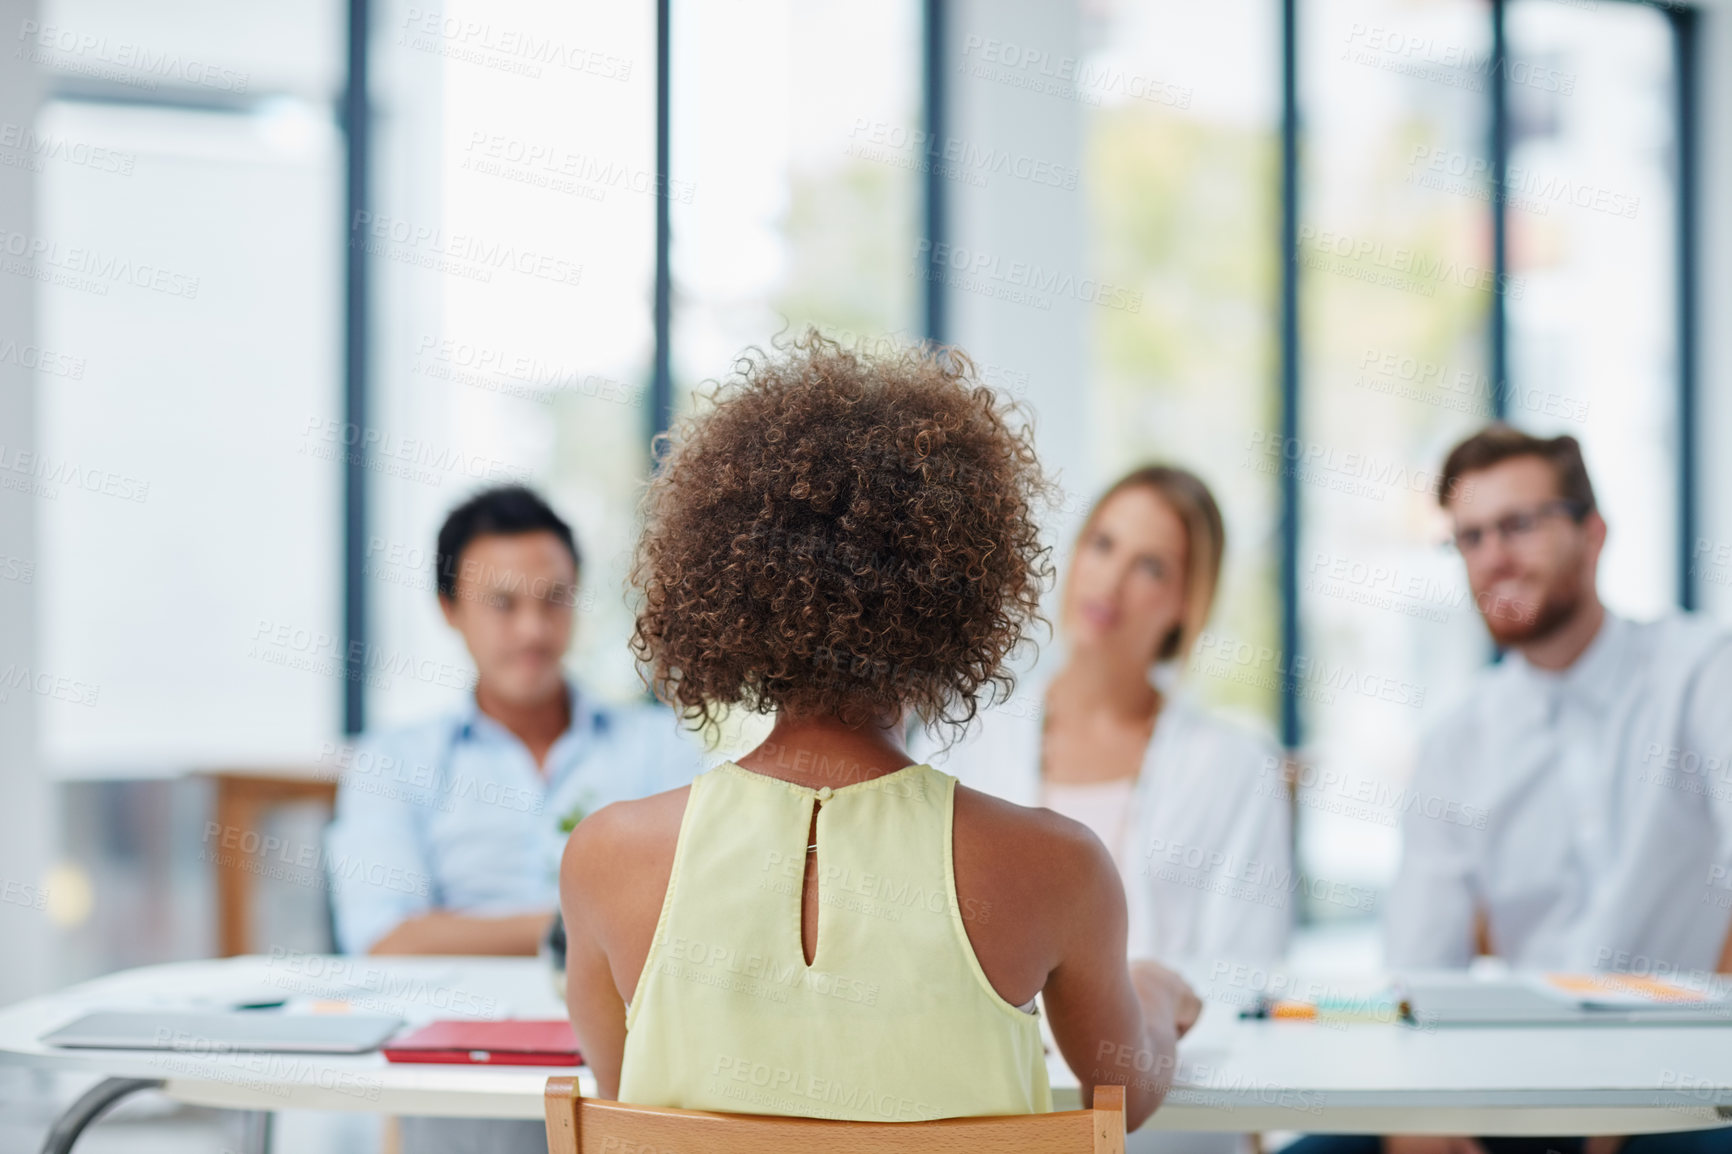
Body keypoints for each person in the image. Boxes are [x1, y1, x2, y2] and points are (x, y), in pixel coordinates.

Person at [559, 334, 1200, 1130]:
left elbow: (642, 1104)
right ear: (961, 596)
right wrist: (1161, 994)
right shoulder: (1059, 868)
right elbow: (1125, 1099)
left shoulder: (605, 860)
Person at [1297, 425, 1732, 1154]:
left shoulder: (1701, 674)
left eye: (1517, 526)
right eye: (1469, 538)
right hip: (1519, 1091)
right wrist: (1419, 1122)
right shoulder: (1456, 742)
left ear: (1593, 534)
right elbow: (1417, 967)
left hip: (1685, 1086)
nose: (1492, 557)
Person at [924, 465, 1291, 969]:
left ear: (1187, 603)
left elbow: (1247, 975)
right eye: (1103, 544)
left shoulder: (1235, 768)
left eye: (1151, 567)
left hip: (1166, 1049)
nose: (1111, 582)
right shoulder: (965, 735)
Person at [324, 485, 703, 958]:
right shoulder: (391, 763)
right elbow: (384, 938)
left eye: (554, 599)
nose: (533, 630)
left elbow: (697, 912)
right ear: (450, 609)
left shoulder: (663, 745)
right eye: (503, 604)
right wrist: (584, 923)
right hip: (455, 1023)